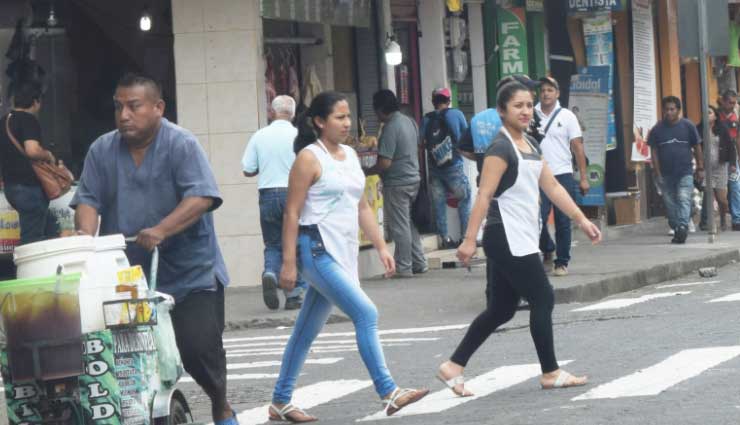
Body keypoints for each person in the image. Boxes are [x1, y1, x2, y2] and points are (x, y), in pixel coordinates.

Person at [71, 74, 238, 425]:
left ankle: (221, 405)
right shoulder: (102, 149)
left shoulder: (181, 144)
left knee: (198, 350)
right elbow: (87, 200)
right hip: (130, 278)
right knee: (125, 355)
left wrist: (162, 230)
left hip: (191, 273)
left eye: (134, 106)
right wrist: (84, 240)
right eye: (118, 107)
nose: (124, 115)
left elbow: (202, 196)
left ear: (158, 108)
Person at [270, 91, 428, 422]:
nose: (346, 123)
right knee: (366, 313)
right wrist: (287, 263)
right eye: (339, 117)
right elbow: (291, 213)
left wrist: (382, 247)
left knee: (306, 330)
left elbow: (362, 206)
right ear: (319, 122)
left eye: (347, 116)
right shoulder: (308, 159)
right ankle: (389, 391)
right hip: (315, 250)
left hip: (342, 251)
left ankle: (280, 401)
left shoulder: (350, 155)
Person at [435, 80, 600, 397]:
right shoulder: (500, 148)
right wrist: (470, 241)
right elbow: (483, 195)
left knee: (501, 310)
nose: (525, 111)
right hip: (505, 235)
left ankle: (453, 366)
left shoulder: (531, 145)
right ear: (501, 111)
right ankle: (550, 372)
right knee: (543, 297)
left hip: (522, 235)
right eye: (517, 106)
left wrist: (581, 219)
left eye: (528, 105)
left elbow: (551, 187)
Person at [242, 95, 307, 310]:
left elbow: (248, 169)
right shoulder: (300, 135)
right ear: (293, 113)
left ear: (272, 111)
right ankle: (293, 295)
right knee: (296, 243)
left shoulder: (260, 136)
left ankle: (270, 272)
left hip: (268, 194)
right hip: (294, 193)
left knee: (273, 243)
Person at [368, 89, 427, 277]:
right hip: (413, 179)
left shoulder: (390, 127)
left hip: (397, 183)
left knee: (400, 226)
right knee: (409, 223)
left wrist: (367, 172)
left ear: (380, 109)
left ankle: (404, 267)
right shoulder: (410, 121)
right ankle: (419, 262)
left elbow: (385, 163)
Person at [536, 76, 588, 277]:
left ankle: (562, 261)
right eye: (543, 90)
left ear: (557, 93)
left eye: (550, 90)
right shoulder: (532, 114)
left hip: (563, 174)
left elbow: (577, 147)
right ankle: (547, 248)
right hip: (537, 175)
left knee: (563, 220)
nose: (546, 93)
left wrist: (583, 177)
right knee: (537, 219)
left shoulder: (567, 116)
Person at [0, 80, 60, 245]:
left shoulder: (3, 121)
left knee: (51, 227)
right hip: (28, 188)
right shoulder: (28, 120)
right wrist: (48, 155)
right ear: (35, 101)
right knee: (32, 240)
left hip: (11, 188)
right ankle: (29, 269)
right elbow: (32, 150)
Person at [420, 88, 471, 249]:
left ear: (433, 102)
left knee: (439, 203)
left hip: (434, 169)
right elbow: (466, 136)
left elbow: (421, 144)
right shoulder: (456, 114)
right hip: (454, 166)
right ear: (449, 101)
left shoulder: (427, 119)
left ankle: (445, 238)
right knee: (464, 198)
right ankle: (465, 238)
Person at [648, 96, 704, 244]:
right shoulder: (657, 129)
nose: (669, 112)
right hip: (665, 174)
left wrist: (700, 167)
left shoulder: (688, 126)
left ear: (678, 110)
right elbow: (654, 152)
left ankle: (683, 226)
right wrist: (658, 172)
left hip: (685, 171)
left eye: (672, 109)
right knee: (670, 203)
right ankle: (676, 225)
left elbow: (697, 146)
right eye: (666, 109)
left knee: (683, 197)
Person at [698, 105, 735, 231]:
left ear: (714, 116)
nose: (706, 115)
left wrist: (733, 163)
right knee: (709, 197)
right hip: (706, 169)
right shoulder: (698, 129)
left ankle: (723, 217)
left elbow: (731, 146)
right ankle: (711, 223)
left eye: (709, 113)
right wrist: (699, 167)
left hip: (720, 167)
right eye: (704, 113)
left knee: (722, 199)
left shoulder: (722, 128)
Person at [716, 90, 740, 230]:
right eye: (730, 102)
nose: (732, 105)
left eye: (734, 102)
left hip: (732, 159)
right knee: (715, 191)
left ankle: (737, 220)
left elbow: (737, 139)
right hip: (717, 159)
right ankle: (709, 219)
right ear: (723, 101)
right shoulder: (715, 115)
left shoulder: (736, 118)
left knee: (735, 188)